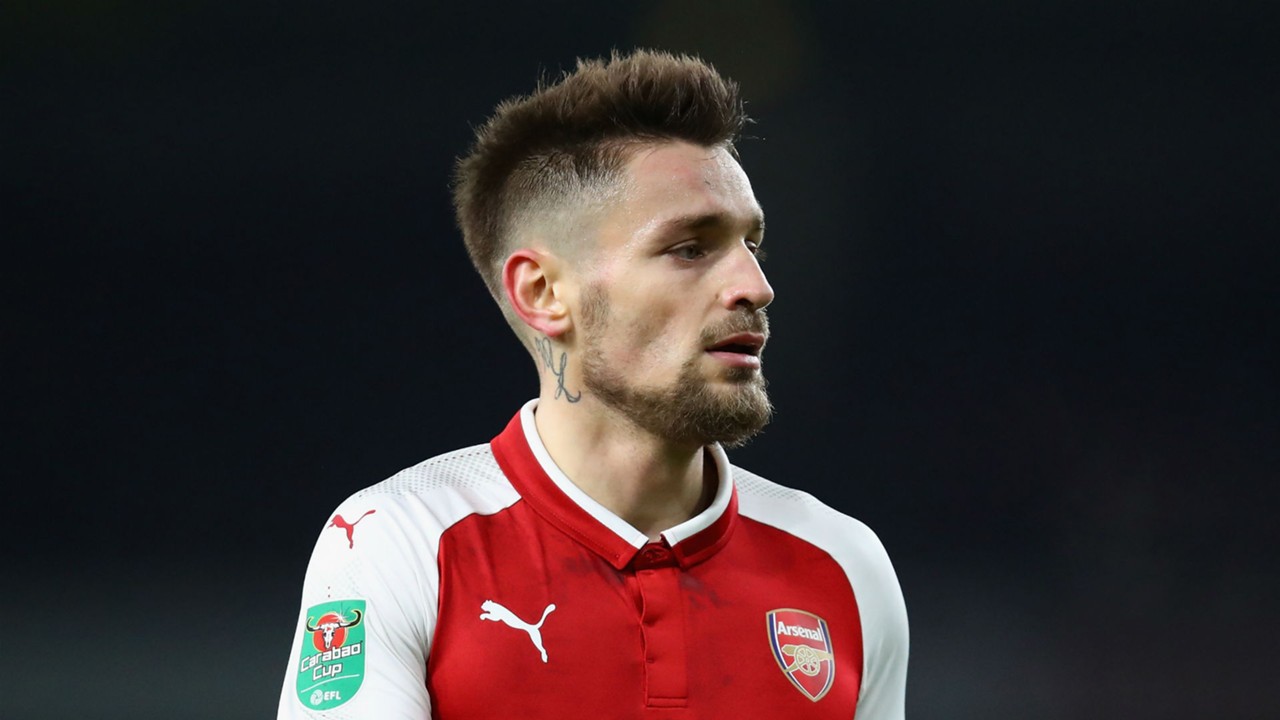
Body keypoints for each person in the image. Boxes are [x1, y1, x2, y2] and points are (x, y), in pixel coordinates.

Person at [278, 49, 908, 719]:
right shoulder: (398, 544)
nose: (755, 286)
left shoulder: (843, 565)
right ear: (544, 293)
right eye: (690, 249)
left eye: (751, 244)